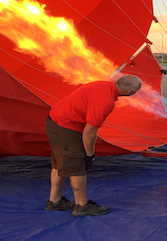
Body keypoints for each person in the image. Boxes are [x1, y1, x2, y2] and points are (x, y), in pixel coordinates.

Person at [44, 74, 142, 217]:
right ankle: (81, 205)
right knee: (77, 165)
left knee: (60, 162)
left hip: (54, 121)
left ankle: (54, 201)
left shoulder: (102, 85)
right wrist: (89, 155)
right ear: (129, 92)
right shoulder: (105, 102)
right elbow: (89, 133)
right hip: (67, 126)